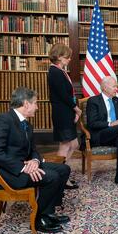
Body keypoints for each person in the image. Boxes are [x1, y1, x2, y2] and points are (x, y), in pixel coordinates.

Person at [0, 87, 71, 234]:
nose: (37, 107)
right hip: (6, 172)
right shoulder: (4, 120)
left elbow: (33, 150)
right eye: (35, 103)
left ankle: (48, 213)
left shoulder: (26, 124)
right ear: (26, 104)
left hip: (22, 165)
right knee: (52, 177)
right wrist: (23, 168)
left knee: (63, 169)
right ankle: (38, 219)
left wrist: (35, 162)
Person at [48, 43, 82, 189]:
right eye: (67, 57)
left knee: (74, 144)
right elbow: (63, 95)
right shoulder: (54, 72)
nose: (69, 60)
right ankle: (59, 178)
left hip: (66, 112)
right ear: (60, 57)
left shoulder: (60, 71)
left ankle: (61, 174)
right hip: (62, 114)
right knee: (65, 145)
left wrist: (73, 110)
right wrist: (77, 109)